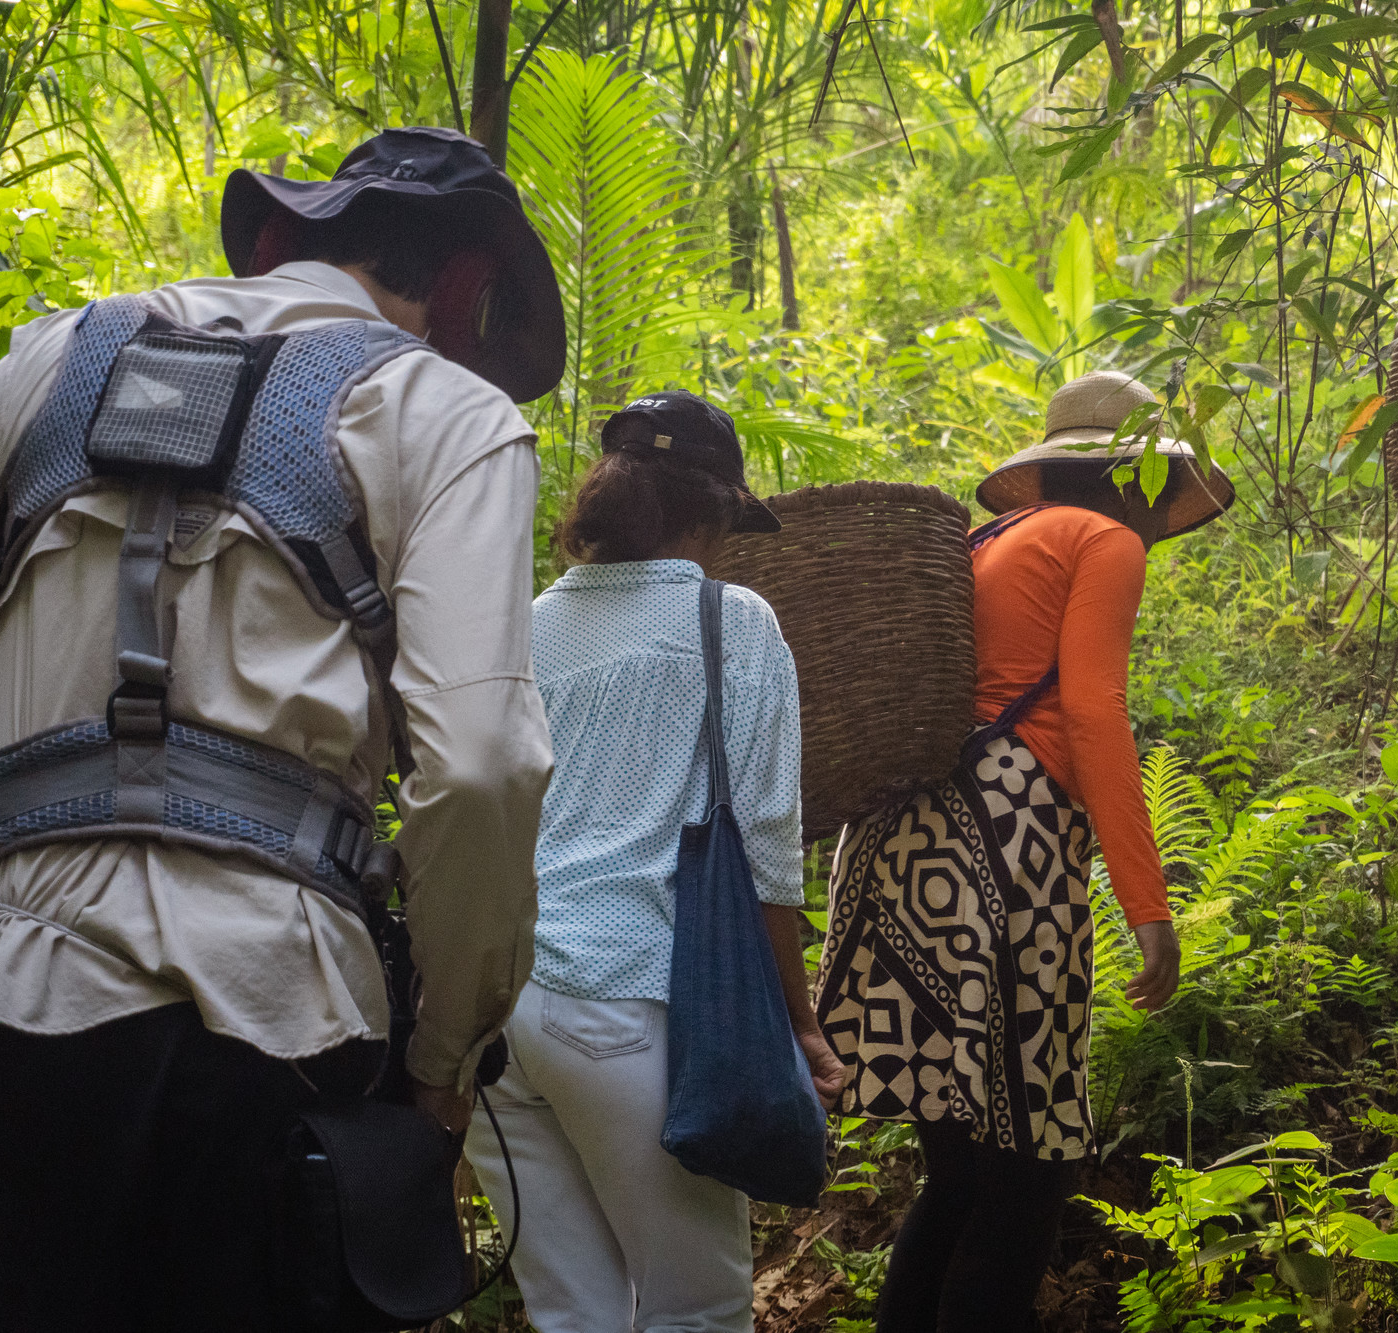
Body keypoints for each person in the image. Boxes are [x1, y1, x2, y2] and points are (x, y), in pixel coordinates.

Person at [0, 126, 562, 1327]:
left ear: (284, 237)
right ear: (466, 289)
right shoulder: (443, 411)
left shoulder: (40, 366)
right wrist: (443, 1063)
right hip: (268, 1022)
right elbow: (482, 769)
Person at [816, 369, 1236, 1332]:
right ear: (1138, 475)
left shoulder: (982, 542)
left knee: (960, 1170)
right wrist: (1146, 903)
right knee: (1031, 1166)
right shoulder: (1104, 539)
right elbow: (1091, 711)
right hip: (1004, 848)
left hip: (895, 846)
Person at [464, 391, 846, 1333]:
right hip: (624, 1003)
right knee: (698, 1309)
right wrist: (800, 1024)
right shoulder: (732, 621)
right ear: (708, 513)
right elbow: (766, 851)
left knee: (577, 1312)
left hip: (496, 1017)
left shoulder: (523, 627)